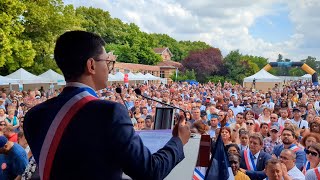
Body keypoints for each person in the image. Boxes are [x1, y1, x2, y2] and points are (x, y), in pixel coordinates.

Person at [23, 31, 190, 180]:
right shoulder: (109, 112)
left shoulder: (34, 115)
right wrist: (178, 141)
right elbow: (150, 171)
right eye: (107, 62)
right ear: (91, 65)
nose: (109, 68)